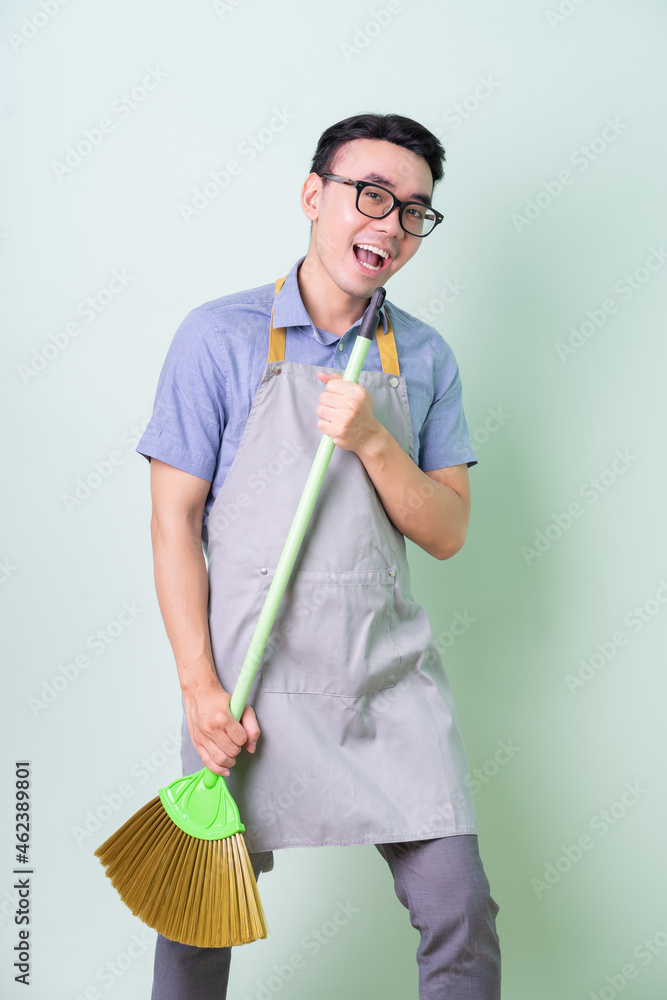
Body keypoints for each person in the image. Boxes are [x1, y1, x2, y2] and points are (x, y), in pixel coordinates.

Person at [136, 112, 501, 1000]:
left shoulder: (421, 355)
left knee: (459, 912)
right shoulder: (218, 337)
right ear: (314, 195)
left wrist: (375, 441)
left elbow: (447, 531)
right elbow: (173, 525)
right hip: (248, 691)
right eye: (369, 195)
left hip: (385, 680)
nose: (389, 224)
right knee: (196, 917)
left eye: (413, 211)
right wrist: (199, 689)